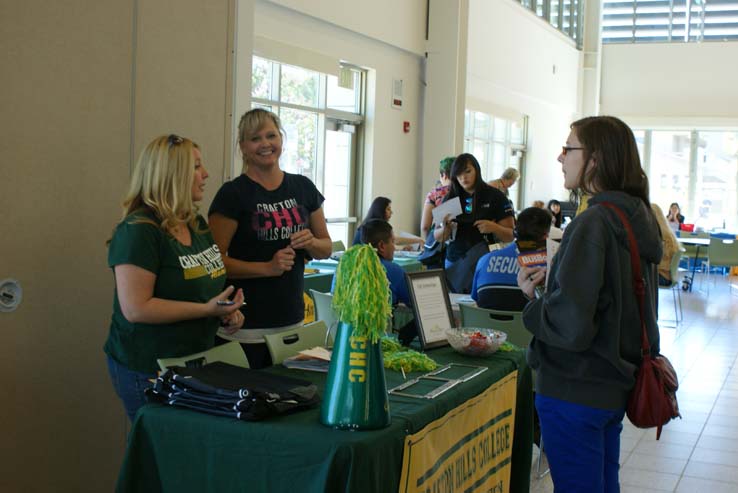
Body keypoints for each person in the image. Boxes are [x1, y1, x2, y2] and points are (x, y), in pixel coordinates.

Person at [517, 116, 662, 492]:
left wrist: (533, 299)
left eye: (569, 149)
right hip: (612, 384)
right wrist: (561, 282)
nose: (560, 158)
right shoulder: (635, 216)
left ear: (594, 158)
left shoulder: (592, 222)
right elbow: (615, 298)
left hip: (574, 387)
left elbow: (571, 326)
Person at [105, 134, 245, 421]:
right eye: (196, 167)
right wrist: (206, 310)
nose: (205, 174)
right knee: (160, 454)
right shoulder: (139, 230)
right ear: (172, 175)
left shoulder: (196, 224)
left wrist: (224, 313)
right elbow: (136, 308)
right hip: (148, 365)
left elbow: (201, 287)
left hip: (195, 360)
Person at [208, 109, 332, 369]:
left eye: (271, 135)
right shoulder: (233, 194)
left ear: (282, 140)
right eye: (255, 138)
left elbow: (326, 248)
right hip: (245, 329)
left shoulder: (303, 187)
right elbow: (214, 263)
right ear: (243, 146)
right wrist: (267, 268)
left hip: (293, 323)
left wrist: (311, 242)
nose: (265, 144)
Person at [434, 154, 515, 267]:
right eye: (459, 174)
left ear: (476, 170)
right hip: (455, 260)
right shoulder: (450, 198)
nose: (463, 177)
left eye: (467, 171)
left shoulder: (495, 196)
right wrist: (445, 227)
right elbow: (437, 236)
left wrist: (494, 227)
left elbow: (511, 235)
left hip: (486, 260)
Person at [471, 207, 552, 311]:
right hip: (525, 326)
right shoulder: (550, 266)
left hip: (487, 326)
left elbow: (476, 301)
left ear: (516, 230)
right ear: (546, 236)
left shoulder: (484, 260)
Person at [353, 196, 423, 250]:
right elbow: (394, 240)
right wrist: (418, 240)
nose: (391, 212)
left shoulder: (375, 224)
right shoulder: (371, 227)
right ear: (380, 210)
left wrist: (401, 250)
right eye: (388, 209)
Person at [420, 156, 455, 239]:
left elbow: (425, 227)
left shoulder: (434, 194)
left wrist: (427, 244)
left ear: (444, 175)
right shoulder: (467, 192)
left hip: (441, 240)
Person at [652, 203, 680, 286]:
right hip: (668, 276)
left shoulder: (661, 237)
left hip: (663, 278)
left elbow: (658, 262)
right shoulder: (668, 233)